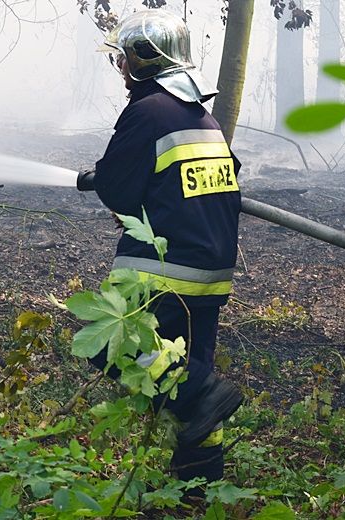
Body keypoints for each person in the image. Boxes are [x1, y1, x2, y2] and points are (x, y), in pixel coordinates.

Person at [76, 9, 243, 484]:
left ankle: (204, 389)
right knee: (192, 396)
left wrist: (112, 185)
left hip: (164, 269)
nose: (121, 67)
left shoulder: (148, 111)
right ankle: (197, 488)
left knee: (110, 341)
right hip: (211, 273)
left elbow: (118, 189)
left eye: (125, 57)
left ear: (146, 58)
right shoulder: (202, 118)